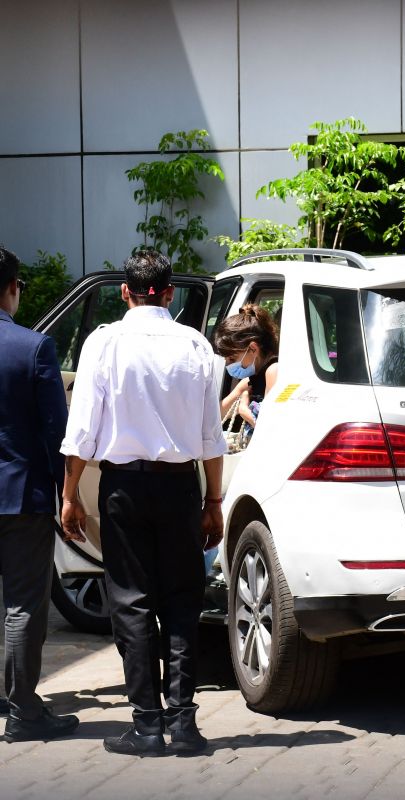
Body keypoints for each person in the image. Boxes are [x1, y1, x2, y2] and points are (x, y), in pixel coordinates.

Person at [60, 250, 226, 758]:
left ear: (125, 292)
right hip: (180, 487)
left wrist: (69, 495)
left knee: (131, 601)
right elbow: (210, 437)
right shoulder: (195, 343)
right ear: (171, 293)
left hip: (123, 489)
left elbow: (82, 430)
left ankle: (147, 724)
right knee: (181, 598)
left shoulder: (105, 341)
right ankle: (185, 722)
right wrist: (214, 500)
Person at [0, 247, 79, 742]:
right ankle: (24, 711)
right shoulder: (33, 348)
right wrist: (67, 494)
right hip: (20, 497)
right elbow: (57, 433)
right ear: (12, 288)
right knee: (24, 604)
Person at [214, 303, 279, 434]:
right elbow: (217, 414)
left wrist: (244, 410)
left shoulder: (274, 372)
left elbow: (270, 428)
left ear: (253, 349)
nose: (228, 365)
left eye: (232, 358)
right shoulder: (249, 381)